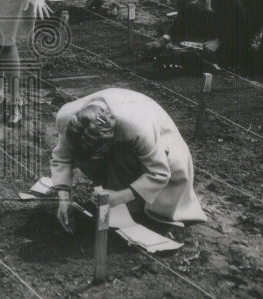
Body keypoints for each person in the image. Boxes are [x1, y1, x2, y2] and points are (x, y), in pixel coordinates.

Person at [51, 88, 206, 233]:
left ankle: (138, 204)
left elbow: (158, 173)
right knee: (112, 177)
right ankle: (123, 197)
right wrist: (64, 199)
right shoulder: (68, 122)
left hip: (153, 126)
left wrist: (120, 196)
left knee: (169, 175)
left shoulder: (137, 126)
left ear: (108, 143)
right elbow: (61, 159)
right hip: (119, 128)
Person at [152, 0, 263, 70]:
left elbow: (239, 21)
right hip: (227, 10)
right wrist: (163, 40)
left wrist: (219, 41)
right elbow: (181, 18)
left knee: (230, 53)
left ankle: (251, 50)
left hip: (250, 10)